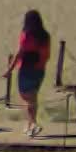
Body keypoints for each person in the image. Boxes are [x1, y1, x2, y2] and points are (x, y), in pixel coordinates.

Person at [6, 9, 53, 137]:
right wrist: (41, 64)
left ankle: (34, 123)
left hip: (27, 69)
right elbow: (47, 54)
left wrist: (10, 69)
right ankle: (30, 125)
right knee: (33, 97)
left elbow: (19, 53)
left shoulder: (27, 34)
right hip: (40, 69)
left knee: (26, 96)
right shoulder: (45, 36)